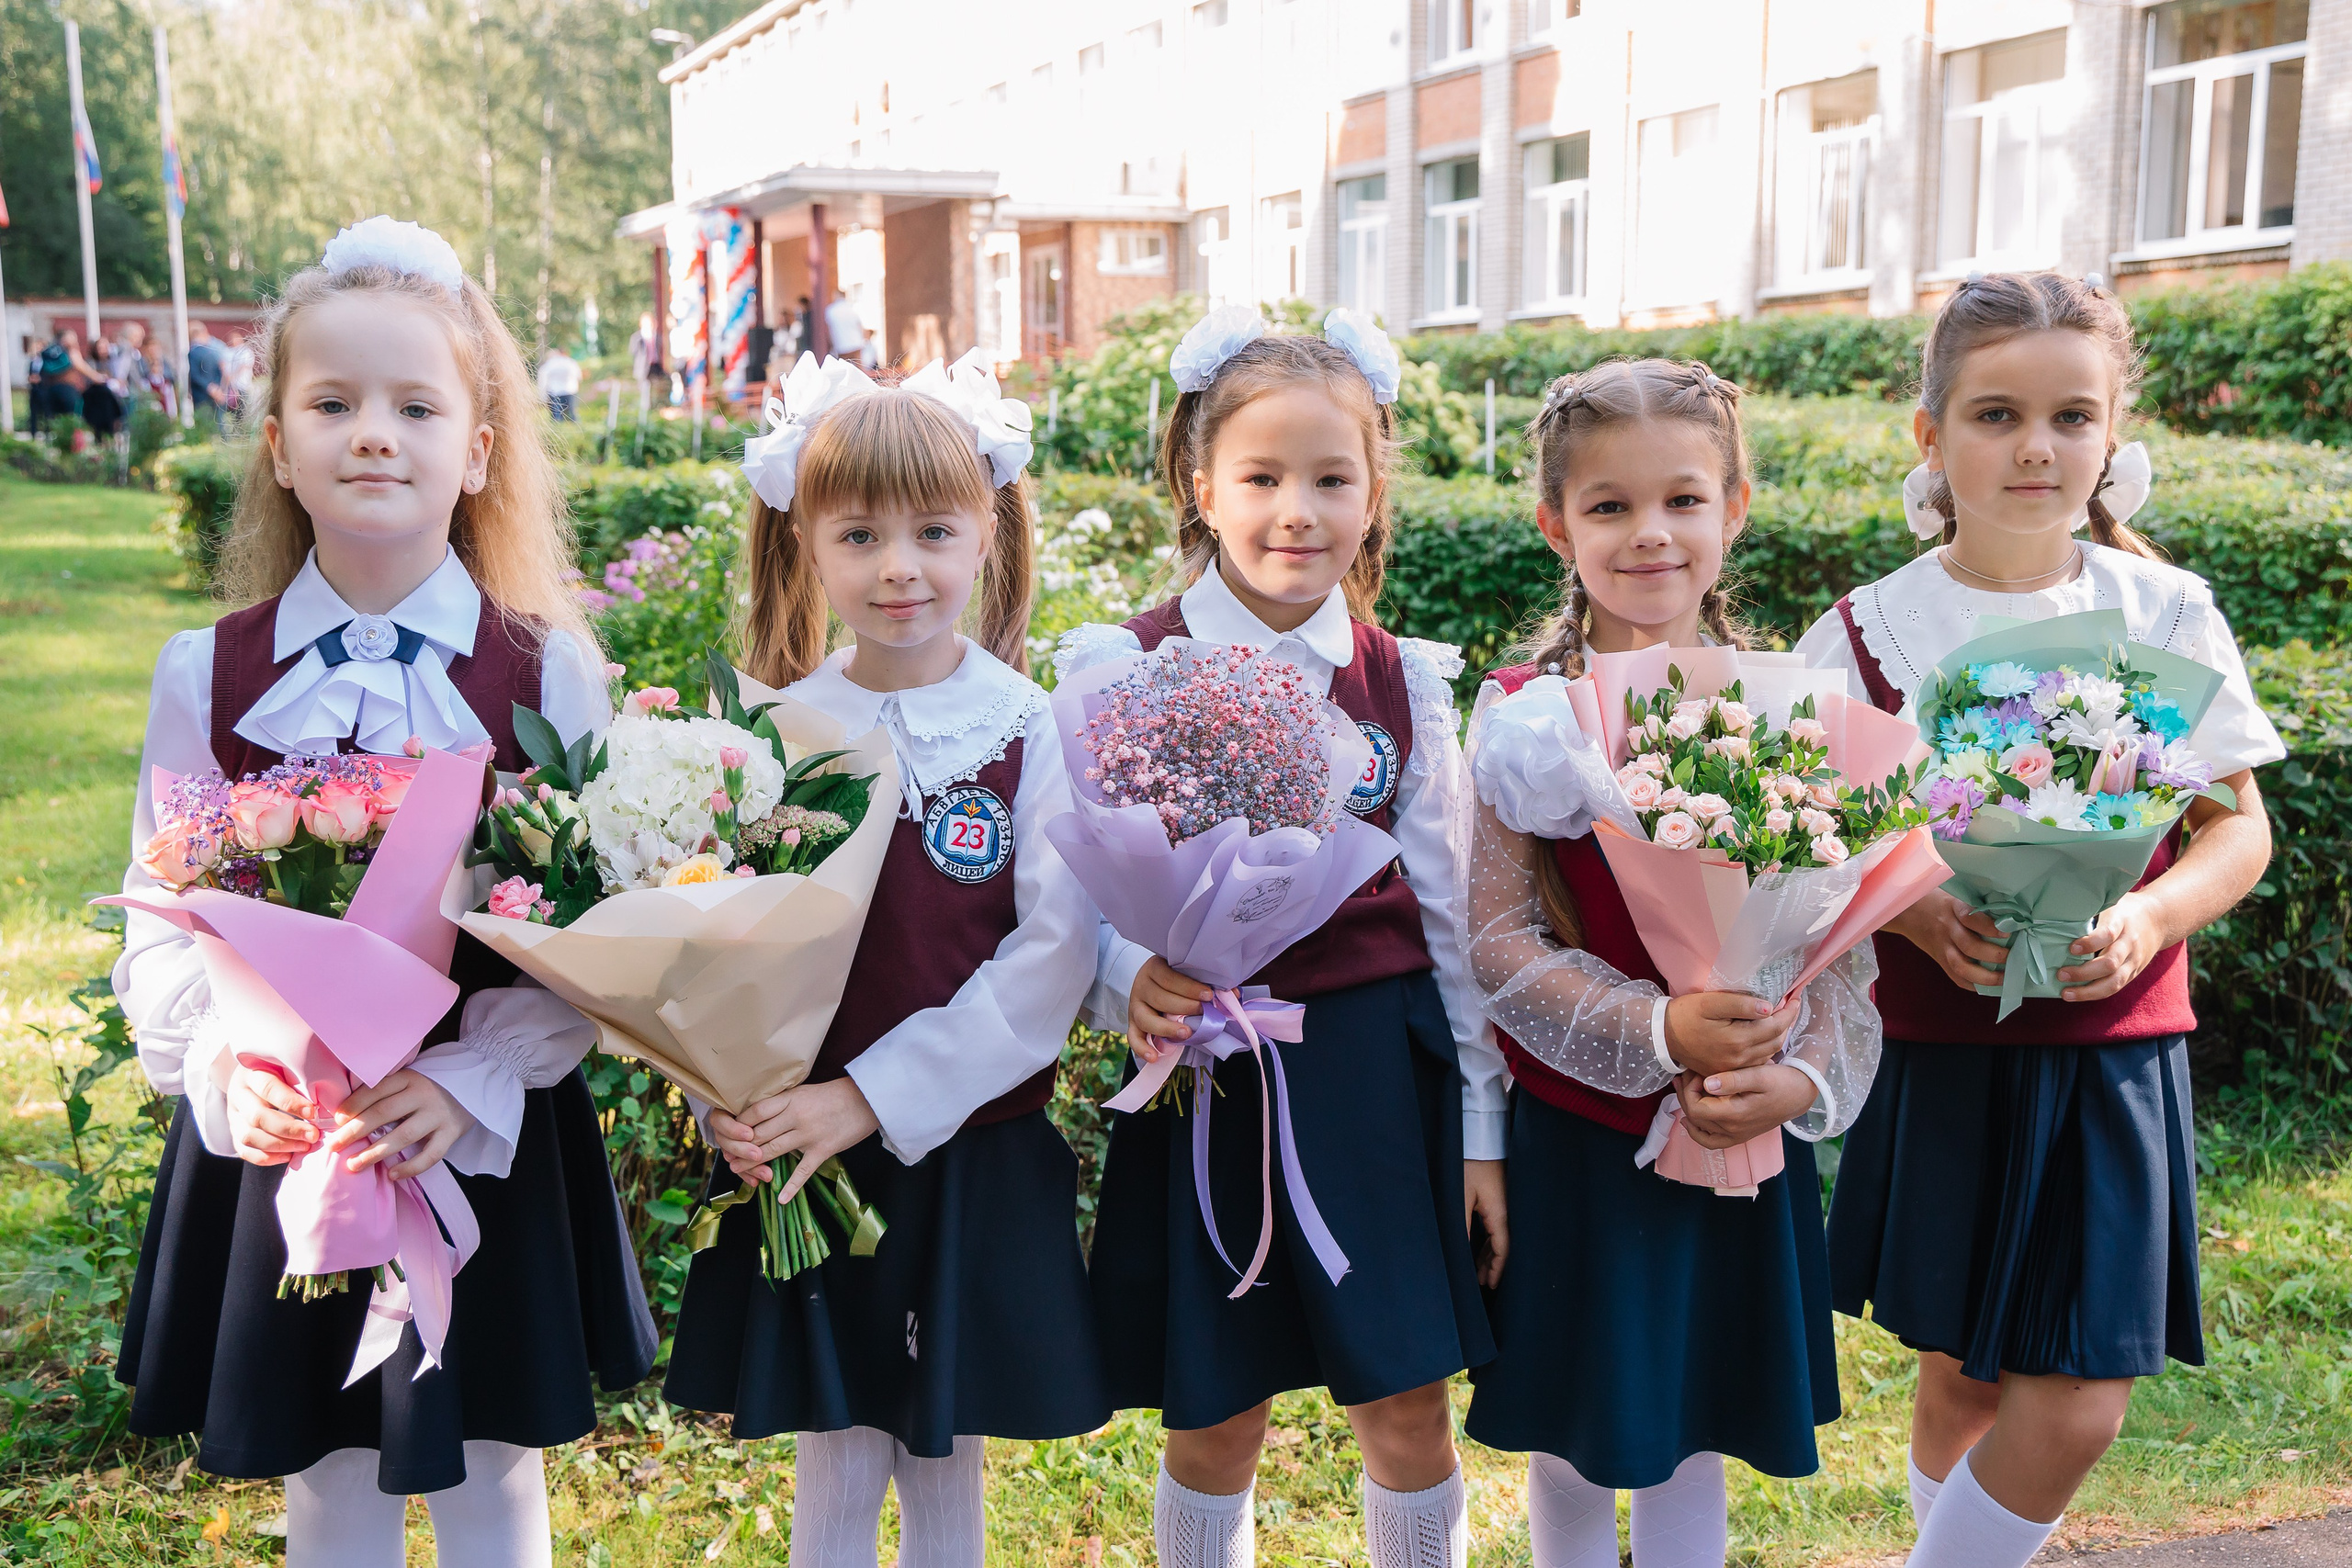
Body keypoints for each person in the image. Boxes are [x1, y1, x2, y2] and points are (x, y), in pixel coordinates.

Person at [110, 215, 656, 1568]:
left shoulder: (544, 671)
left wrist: (477, 1077)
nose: (373, 434)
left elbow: (595, 936)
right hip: (293, 1139)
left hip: (473, 1128)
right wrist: (228, 1067)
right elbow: (161, 902)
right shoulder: (208, 670)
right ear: (280, 445)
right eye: (333, 403)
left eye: (416, 406)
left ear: (476, 450)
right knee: (327, 1476)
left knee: (494, 1474)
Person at [1795, 272, 2282, 1568]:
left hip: (2113, 1046)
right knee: (1961, 1374)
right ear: (1931, 434)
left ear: (2114, 437)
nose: (2036, 446)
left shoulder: (2165, 611)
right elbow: (1805, 848)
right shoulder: (1859, 634)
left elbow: (2240, 827)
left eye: (2073, 416)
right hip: (1947, 1051)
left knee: (2074, 1397)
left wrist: (2154, 912)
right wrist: (1911, 915)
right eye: (1997, 413)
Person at [1057, 308, 1491, 1568]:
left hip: (1374, 1075)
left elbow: (1454, 915)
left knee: (1406, 1400)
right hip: (1210, 1072)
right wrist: (1121, 971)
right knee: (1215, 1408)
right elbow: (1069, 883)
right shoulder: (1123, 663)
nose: (1296, 510)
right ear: (1202, 484)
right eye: (1261, 478)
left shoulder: (1402, 677)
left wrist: (1483, 1132)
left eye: (1330, 478)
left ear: (1374, 488)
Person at [662, 348, 1108, 1568]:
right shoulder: (769, 733)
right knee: (837, 1440)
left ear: (989, 535)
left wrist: (869, 1095)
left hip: (959, 1140)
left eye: (933, 528)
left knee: (943, 1443)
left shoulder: (1031, 727)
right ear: (803, 541)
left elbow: (1052, 954)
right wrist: (725, 1095)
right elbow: (703, 941)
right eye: (858, 533)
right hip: (803, 1146)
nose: (899, 565)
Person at [1454, 359, 1874, 1568]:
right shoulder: (1529, 712)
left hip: (1742, 1125)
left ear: (1734, 507)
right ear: (1556, 524)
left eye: (1684, 500)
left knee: (1699, 1428)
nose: (1651, 533)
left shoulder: (1794, 711)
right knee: (1583, 1436)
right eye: (1609, 506)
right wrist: (1654, 1031)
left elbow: (1834, 949)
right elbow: (1498, 939)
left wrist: (1802, 1078)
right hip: (1583, 1138)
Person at [187, 320, 229, 429]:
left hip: (202, 394)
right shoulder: (215, 352)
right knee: (219, 424)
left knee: (204, 427)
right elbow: (223, 372)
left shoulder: (193, 352)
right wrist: (220, 389)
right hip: (217, 393)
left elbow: (194, 375)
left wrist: (209, 388)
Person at [824, 289, 872, 368]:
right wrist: (865, 340)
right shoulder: (852, 308)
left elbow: (828, 330)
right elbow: (860, 326)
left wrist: (831, 344)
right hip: (856, 343)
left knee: (845, 370)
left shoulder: (830, 310)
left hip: (841, 344)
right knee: (860, 369)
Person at [536, 346, 581, 422]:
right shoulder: (571, 362)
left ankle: (558, 426)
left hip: (555, 391)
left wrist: (543, 395)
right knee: (572, 412)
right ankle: (574, 425)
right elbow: (578, 376)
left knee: (557, 414)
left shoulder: (550, 364)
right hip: (570, 390)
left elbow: (543, 379)